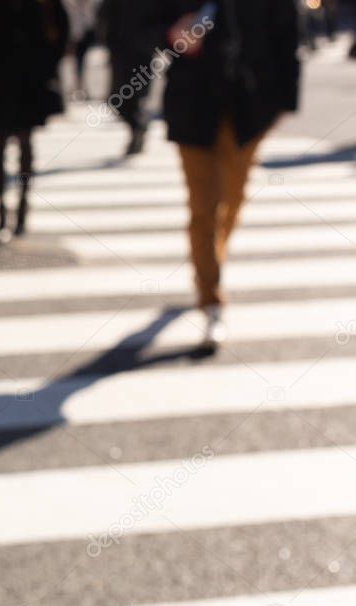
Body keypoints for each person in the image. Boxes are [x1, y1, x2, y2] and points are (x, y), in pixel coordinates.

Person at [156, 0, 300, 350]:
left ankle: (210, 263)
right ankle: (211, 299)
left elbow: (287, 35)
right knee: (203, 206)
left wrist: (285, 102)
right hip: (193, 105)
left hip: (249, 108)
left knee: (232, 200)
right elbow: (132, 22)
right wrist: (171, 33)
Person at [0, 0, 68, 244]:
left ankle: (23, 205)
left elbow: (60, 30)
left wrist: (46, 68)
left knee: (24, 146)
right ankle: (2, 209)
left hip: (28, 83)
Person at [99, 0, 163, 155]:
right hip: (120, 51)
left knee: (134, 95)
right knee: (117, 99)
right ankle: (138, 125)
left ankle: (137, 130)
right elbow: (104, 16)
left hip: (142, 53)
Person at [64, 0, 100, 99]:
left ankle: (80, 86)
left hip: (84, 34)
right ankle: (77, 86)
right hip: (73, 35)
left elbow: (91, 18)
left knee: (81, 61)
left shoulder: (90, 3)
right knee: (75, 62)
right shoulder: (69, 3)